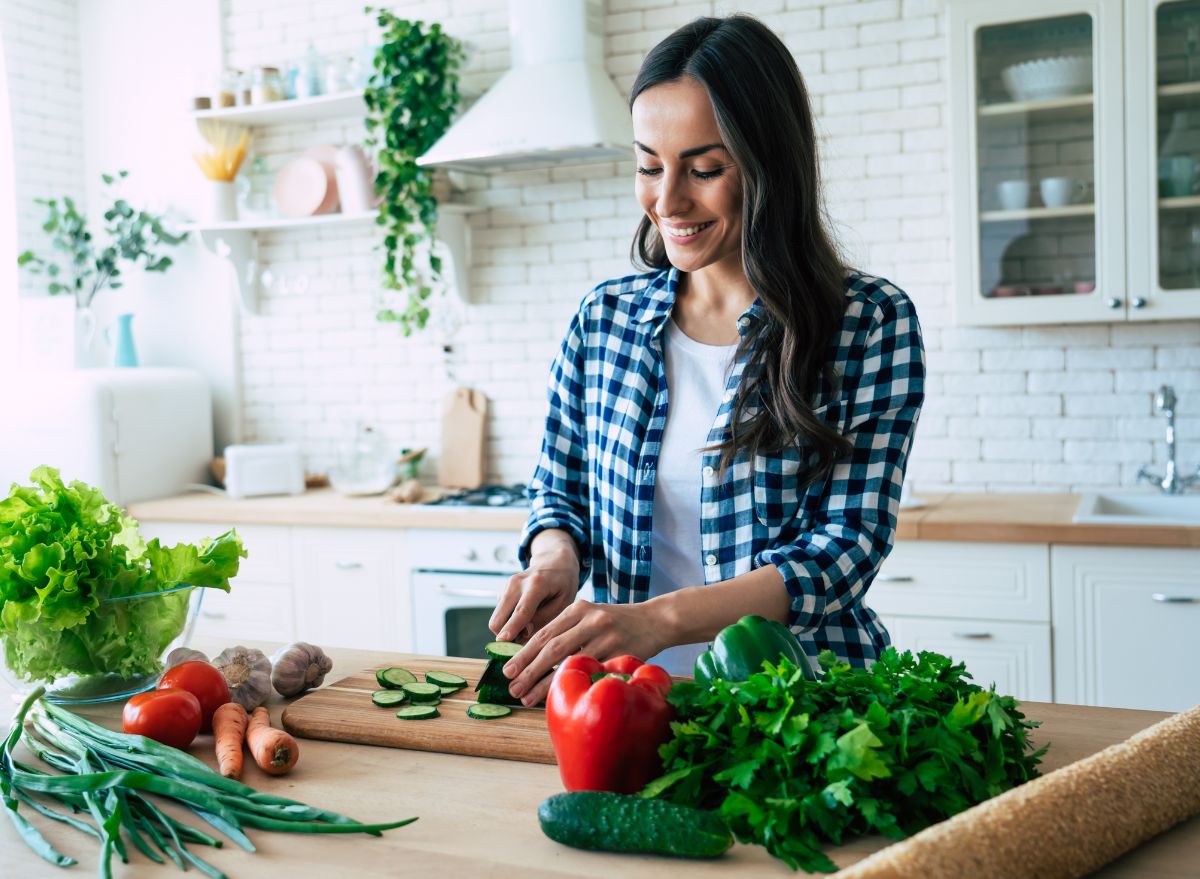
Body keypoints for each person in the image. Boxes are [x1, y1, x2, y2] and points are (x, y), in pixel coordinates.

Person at [488, 14, 925, 707]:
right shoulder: (604, 320)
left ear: (766, 163)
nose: (667, 201)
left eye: (704, 168)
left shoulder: (866, 323)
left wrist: (656, 620)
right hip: (629, 704)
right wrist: (555, 556)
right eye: (648, 165)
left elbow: (845, 549)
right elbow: (559, 491)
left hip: (805, 708)